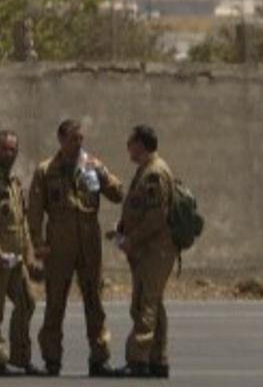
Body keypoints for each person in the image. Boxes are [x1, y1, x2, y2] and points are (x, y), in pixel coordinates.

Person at [28, 119, 124, 377]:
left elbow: (118, 193)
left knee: (94, 301)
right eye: (73, 138)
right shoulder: (47, 170)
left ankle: (100, 357)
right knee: (55, 302)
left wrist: (102, 174)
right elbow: (35, 210)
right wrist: (38, 244)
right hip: (59, 244)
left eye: (81, 138)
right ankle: (52, 359)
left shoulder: (91, 165)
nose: (78, 143)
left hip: (89, 242)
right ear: (61, 140)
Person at [0, 130, 41, 376]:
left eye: (13, 150)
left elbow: (22, 223)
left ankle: (21, 358)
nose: (9, 154)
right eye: (5, 149)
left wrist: (29, 256)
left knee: (27, 303)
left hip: (16, 260)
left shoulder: (14, 183)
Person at [112, 124, 177, 379]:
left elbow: (156, 216)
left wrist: (133, 239)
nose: (128, 147)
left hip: (154, 250)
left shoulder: (154, 173)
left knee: (144, 305)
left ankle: (137, 358)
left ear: (140, 144)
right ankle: (157, 359)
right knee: (153, 303)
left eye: (131, 142)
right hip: (148, 249)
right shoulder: (146, 171)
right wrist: (122, 229)